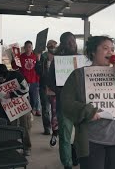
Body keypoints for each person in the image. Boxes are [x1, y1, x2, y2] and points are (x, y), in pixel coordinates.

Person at [61, 36, 115, 169]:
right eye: (105, 48)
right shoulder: (78, 75)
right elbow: (66, 103)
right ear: (93, 51)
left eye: (112, 49)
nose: (110, 52)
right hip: (90, 141)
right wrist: (87, 111)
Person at [47, 32, 79, 168]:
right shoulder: (57, 60)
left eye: (73, 41)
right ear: (63, 44)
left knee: (81, 135)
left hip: (81, 103)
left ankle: (76, 156)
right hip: (64, 103)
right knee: (65, 136)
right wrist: (61, 90)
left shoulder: (81, 59)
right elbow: (49, 80)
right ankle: (67, 164)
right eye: (68, 41)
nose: (72, 43)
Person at [0, 63, 32, 155]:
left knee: (24, 125)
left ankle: (26, 147)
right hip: (9, 106)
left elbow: (26, 89)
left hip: (22, 103)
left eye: (0, 78)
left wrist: (11, 94)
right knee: (11, 127)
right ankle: (13, 147)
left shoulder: (17, 76)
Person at [35, 39, 59, 140]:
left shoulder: (60, 57)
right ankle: (47, 128)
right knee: (45, 109)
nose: (52, 47)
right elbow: (38, 72)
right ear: (47, 46)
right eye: (50, 46)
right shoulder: (43, 57)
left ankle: (55, 129)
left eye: (54, 45)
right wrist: (38, 60)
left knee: (55, 110)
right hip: (44, 87)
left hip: (55, 88)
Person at [12, 41, 41, 116]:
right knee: (25, 99)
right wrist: (13, 59)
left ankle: (33, 110)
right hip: (24, 82)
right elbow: (14, 67)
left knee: (34, 98)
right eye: (26, 47)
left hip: (34, 81)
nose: (28, 48)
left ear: (32, 48)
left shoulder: (35, 57)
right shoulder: (20, 57)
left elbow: (39, 68)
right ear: (24, 48)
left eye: (30, 47)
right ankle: (27, 114)